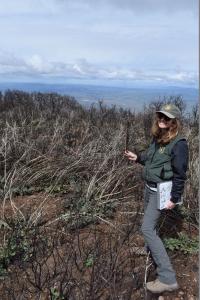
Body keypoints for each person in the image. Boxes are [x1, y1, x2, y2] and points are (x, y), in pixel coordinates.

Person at [124, 103, 189, 293]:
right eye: (160, 116)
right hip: (149, 187)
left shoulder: (179, 144)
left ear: (174, 121)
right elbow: (151, 160)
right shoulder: (158, 137)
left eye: (166, 118)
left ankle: (168, 278)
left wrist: (174, 198)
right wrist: (137, 158)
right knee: (149, 226)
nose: (162, 120)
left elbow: (180, 175)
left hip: (161, 192)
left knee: (146, 228)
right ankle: (149, 249)